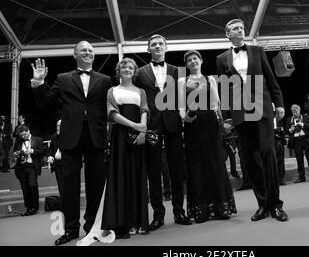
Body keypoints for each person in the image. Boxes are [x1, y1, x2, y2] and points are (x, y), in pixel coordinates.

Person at [31, 41, 113, 245]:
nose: (88, 52)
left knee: (96, 184)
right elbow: (45, 103)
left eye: (91, 50)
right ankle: (70, 229)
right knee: (69, 187)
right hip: (70, 137)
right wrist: (38, 83)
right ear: (75, 55)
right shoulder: (63, 78)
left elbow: (111, 107)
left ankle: (92, 226)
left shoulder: (105, 80)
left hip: (96, 136)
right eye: (83, 50)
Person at [216, 18, 288, 222]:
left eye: (241, 28)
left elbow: (271, 78)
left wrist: (279, 103)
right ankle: (263, 204)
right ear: (227, 34)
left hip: (262, 108)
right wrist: (228, 116)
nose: (240, 30)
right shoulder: (221, 59)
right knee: (249, 158)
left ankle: (276, 205)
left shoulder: (257, 51)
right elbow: (223, 88)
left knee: (268, 152)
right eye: (235, 29)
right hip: (240, 112)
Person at [77, 58, 150, 245]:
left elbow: (144, 110)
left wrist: (142, 130)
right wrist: (135, 125)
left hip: (138, 138)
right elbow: (112, 114)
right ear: (119, 71)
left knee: (137, 177)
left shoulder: (141, 91)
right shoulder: (112, 91)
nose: (127, 69)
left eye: (130, 67)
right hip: (119, 138)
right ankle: (122, 222)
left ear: (134, 71)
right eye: (124, 67)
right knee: (121, 178)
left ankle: (137, 221)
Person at [136, 34, 191, 231]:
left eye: (161, 44)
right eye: (153, 44)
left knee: (177, 170)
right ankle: (158, 215)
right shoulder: (140, 72)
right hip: (151, 125)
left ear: (166, 48)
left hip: (174, 123)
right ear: (148, 49)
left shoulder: (179, 71)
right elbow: (138, 100)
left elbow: (184, 96)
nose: (157, 46)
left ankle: (179, 211)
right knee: (153, 171)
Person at [178, 50, 237, 223]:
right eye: (189, 60)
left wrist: (222, 124)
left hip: (211, 126)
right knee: (197, 166)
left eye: (195, 58)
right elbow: (181, 108)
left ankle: (221, 207)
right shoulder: (183, 81)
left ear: (201, 61)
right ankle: (201, 210)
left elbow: (216, 104)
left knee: (216, 164)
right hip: (193, 127)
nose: (193, 61)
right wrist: (187, 117)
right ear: (187, 64)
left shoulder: (211, 79)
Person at [13, 126, 44, 216]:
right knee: (24, 188)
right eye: (21, 136)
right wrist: (16, 153)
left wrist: (32, 150)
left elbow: (42, 151)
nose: (23, 137)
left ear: (28, 131)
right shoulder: (18, 141)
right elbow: (15, 152)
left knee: (32, 186)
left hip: (32, 167)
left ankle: (34, 207)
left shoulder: (38, 139)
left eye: (24, 135)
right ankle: (28, 208)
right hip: (21, 167)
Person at [286, 104, 309, 182]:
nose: (294, 112)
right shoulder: (289, 119)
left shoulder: (306, 117)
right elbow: (286, 130)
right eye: (293, 111)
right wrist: (290, 130)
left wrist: (303, 124)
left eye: (296, 111)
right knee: (299, 160)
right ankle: (301, 177)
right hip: (296, 141)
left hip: (305, 139)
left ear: (299, 110)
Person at [46, 120, 65, 198]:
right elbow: (50, 149)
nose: (58, 128)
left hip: (67, 164)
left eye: (59, 126)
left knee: (68, 185)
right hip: (57, 165)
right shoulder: (54, 136)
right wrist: (49, 156)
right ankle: (64, 203)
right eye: (57, 126)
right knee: (60, 185)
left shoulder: (70, 136)